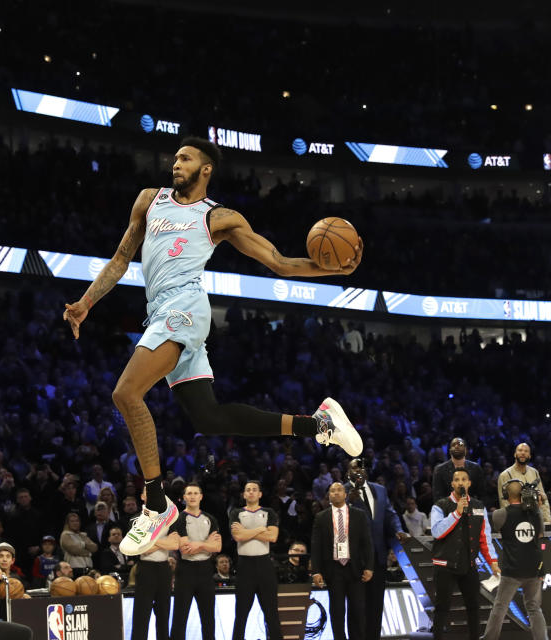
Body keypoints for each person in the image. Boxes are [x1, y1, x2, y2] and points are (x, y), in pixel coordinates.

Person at [62, 137, 364, 555]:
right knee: (211, 417)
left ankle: (156, 506)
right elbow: (119, 258)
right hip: (160, 312)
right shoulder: (149, 201)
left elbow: (277, 261)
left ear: (206, 169)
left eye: (185, 159)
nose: (176, 164)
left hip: (185, 307)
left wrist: (332, 269)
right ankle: (320, 424)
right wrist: (86, 302)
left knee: (126, 392)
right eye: (175, 158)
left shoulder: (219, 218)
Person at [430, 469, 500, 640]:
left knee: (474, 607)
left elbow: (485, 537)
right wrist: (456, 513)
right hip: (445, 565)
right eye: (457, 480)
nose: (460, 482)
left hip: (468, 564)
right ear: (452, 484)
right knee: (442, 608)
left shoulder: (478, 507)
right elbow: (437, 532)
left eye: (464, 479)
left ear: (469, 483)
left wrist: (493, 561)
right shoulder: (440, 506)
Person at [345, 458, 410, 640]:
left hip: (378, 557)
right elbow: (335, 519)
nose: (358, 471)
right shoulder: (342, 490)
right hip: (354, 559)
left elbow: (390, 514)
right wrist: (348, 503)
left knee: (375, 605)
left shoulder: (380, 490)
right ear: (347, 472)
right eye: (354, 468)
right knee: (357, 607)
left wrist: (398, 530)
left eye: (362, 467)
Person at [482, 479, 547, 640]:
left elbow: (496, 527)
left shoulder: (500, 514)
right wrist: (536, 508)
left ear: (505, 495)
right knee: (534, 608)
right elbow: (540, 534)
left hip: (512, 570)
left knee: (500, 607)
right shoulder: (535, 513)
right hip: (534, 568)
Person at [311, 482, 373, 640]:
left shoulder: (359, 514)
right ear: (329, 496)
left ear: (345, 494)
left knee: (358, 610)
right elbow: (316, 546)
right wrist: (316, 571)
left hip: (355, 569)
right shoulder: (321, 517)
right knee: (337, 612)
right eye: (332, 491)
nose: (336, 493)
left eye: (339, 490)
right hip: (333, 569)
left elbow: (367, 543)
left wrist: (369, 567)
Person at [229, 481, 281, 640]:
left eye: (254, 490)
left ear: (260, 494)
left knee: (271, 613)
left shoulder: (269, 512)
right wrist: (259, 529)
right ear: (244, 494)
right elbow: (237, 536)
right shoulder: (236, 512)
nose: (251, 492)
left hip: (264, 565)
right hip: (245, 566)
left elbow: (272, 537)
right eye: (248, 490)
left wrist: (247, 532)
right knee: (241, 614)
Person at [170, 483, 221, 640]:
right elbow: (185, 549)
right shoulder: (179, 518)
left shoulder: (210, 518)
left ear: (201, 496)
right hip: (186, 570)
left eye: (195, 493)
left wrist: (198, 544)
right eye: (189, 493)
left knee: (208, 618)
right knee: (180, 617)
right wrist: (207, 545)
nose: (192, 496)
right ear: (184, 497)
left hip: (206, 570)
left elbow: (218, 546)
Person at [129, 488, 179, 640]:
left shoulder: (169, 519)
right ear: (142, 496)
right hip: (146, 569)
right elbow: (140, 549)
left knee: (164, 615)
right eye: (148, 492)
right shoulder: (136, 519)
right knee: (141, 616)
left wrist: (150, 541)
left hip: (164, 568)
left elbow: (175, 544)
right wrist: (163, 542)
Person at [497, 443, 551, 528]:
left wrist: (548, 520)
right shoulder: (505, 475)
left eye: (526, 451)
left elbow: (543, 498)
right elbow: (504, 503)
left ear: (529, 456)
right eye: (520, 450)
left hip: (535, 520)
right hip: (516, 522)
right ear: (515, 454)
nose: (523, 453)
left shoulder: (534, 472)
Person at [432, 438, 486, 503]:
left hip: (472, 509)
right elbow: (438, 497)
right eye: (454, 445)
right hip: (448, 510)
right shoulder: (440, 469)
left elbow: (482, 494)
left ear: (466, 450)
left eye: (460, 444)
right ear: (450, 450)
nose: (457, 446)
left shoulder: (476, 468)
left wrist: (476, 511)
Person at [59, 512, 97, 577]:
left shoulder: (83, 535)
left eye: (77, 521)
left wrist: (82, 544)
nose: (75, 523)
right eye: (72, 521)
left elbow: (94, 547)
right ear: (68, 523)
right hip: (74, 569)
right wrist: (89, 553)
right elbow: (74, 550)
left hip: (88, 569)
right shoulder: (65, 535)